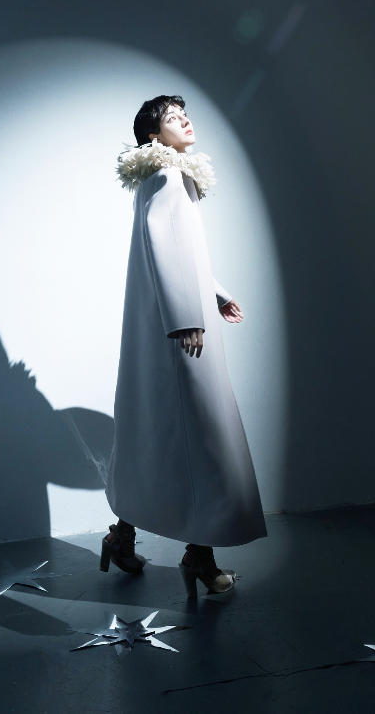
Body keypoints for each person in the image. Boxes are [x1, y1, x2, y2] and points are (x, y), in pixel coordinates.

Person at [102, 95, 267, 596]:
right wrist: (185, 318)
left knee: (161, 432)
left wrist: (215, 293)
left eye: (184, 113)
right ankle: (199, 556)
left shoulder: (162, 176)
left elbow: (182, 249)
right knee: (203, 437)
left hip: (176, 320)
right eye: (172, 118)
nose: (185, 121)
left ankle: (124, 538)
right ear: (153, 135)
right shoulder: (167, 175)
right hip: (181, 327)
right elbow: (163, 245)